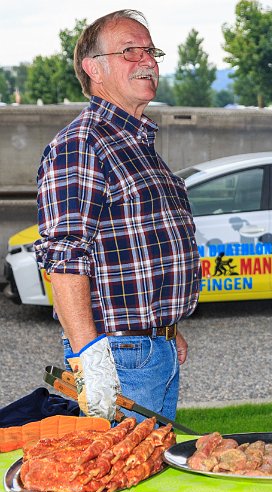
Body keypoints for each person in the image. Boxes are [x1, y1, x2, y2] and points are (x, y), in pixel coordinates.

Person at [34, 10, 200, 422]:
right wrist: (91, 359)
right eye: (130, 51)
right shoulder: (82, 143)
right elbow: (65, 258)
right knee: (121, 478)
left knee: (153, 473)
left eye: (150, 50)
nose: (148, 61)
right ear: (95, 69)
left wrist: (165, 329)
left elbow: (133, 248)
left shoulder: (134, 142)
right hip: (118, 355)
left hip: (147, 349)